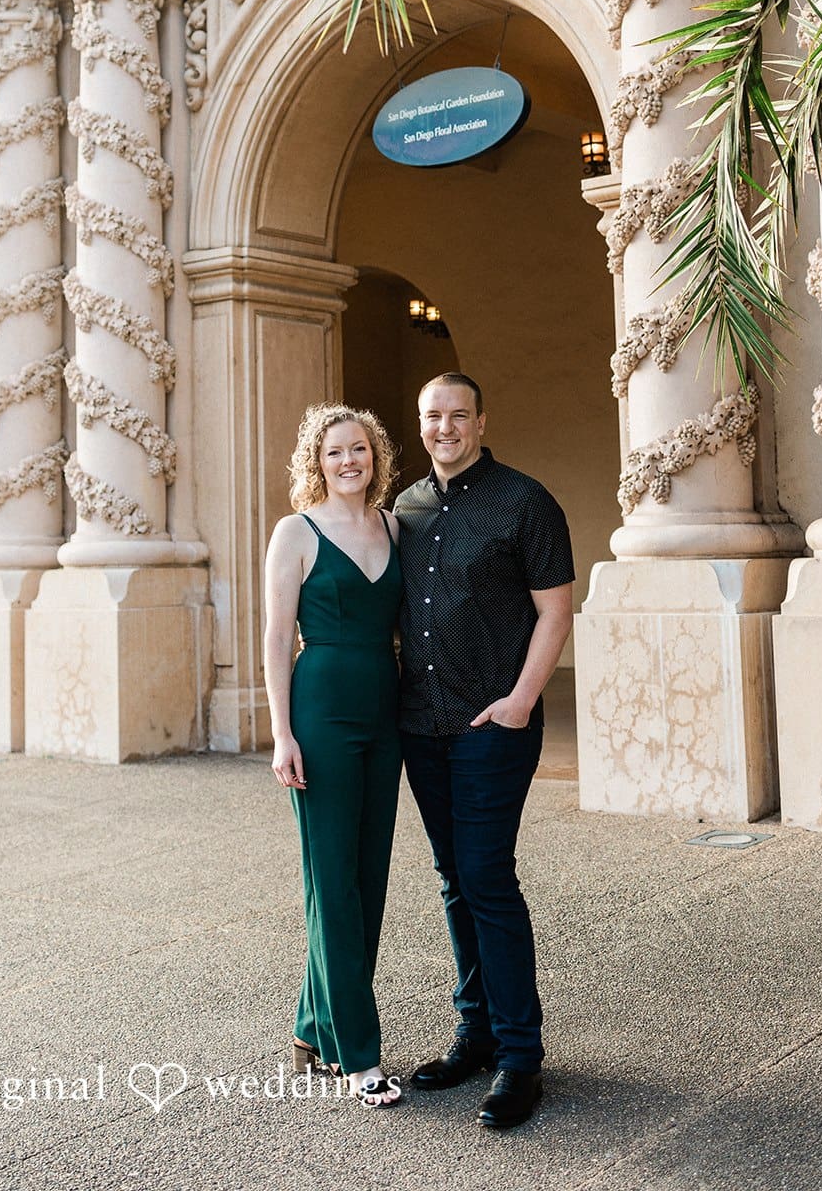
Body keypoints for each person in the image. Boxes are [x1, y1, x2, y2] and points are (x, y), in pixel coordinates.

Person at [394, 371, 575, 1130]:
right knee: (452, 878)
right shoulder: (404, 508)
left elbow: (555, 611)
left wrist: (522, 701)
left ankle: (520, 1058)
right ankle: (475, 1035)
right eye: (432, 415)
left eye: (458, 415)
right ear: (421, 422)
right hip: (421, 724)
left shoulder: (525, 502)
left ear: (480, 421)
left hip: (494, 723)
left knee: (486, 877)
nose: (444, 427)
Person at [264, 402, 404, 1107]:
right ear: (316, 464)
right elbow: (274, 636)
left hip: (386, 710)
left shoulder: (394, 526)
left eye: (359, 449)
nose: (349, 462)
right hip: (320, 711)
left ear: (375, 456)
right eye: (334, 452)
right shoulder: (296, 531)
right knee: (331, 879)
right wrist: (281, 733)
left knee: (367, 876)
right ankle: (357, 1053)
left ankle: (312, 1029)